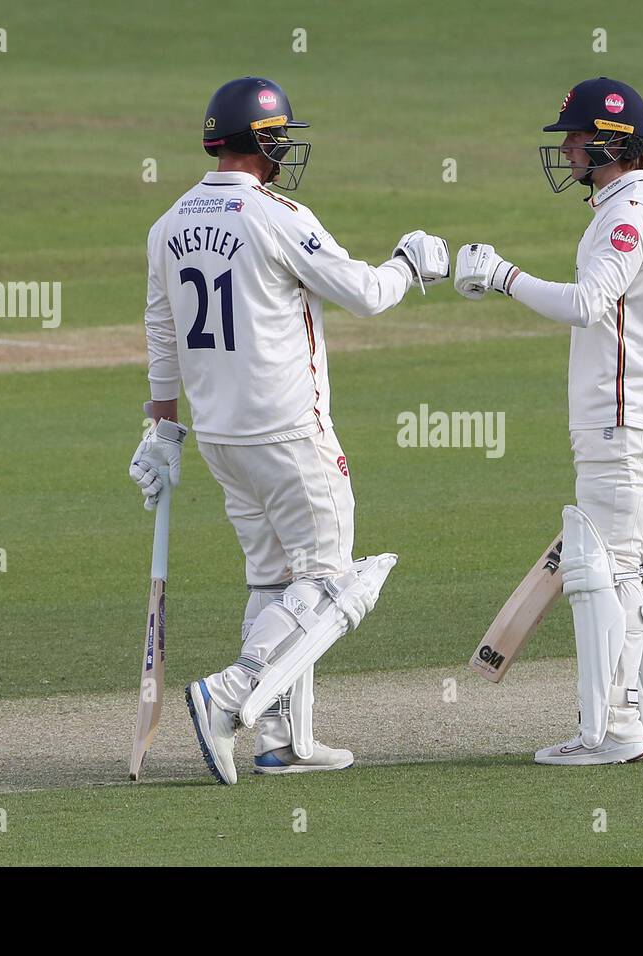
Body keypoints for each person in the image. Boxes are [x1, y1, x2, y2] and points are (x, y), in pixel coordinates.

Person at [129, 76, 449, 783]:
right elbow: (364, 293)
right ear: (263, 142)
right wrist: (411, 265)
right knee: (333, 581)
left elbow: (161, 334)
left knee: (275, 580)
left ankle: (280, 740)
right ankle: (229, 696)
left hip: (219, 437)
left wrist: (162, 431)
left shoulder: (167, 224)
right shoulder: (276, 214)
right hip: (286, 432)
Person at [453, 77, 643, 765]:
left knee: (610, 572)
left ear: (610, 143)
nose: (564, 151)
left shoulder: (629, 216)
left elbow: (589, 303)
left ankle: (614, 730)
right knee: (640, 565)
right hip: (637, 413)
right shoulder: (635, 205)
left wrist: (502, 277)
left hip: (622, 416)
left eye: (575, 138)